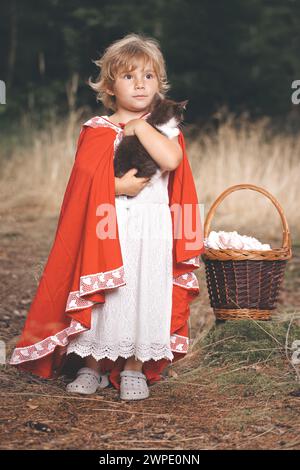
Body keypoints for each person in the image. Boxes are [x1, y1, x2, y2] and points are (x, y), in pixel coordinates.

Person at [9, 33, 205, 401]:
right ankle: (92, 365)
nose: (140, 84)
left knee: (147, 292)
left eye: (148, 76)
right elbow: (83, 187)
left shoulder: (165, 128)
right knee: (109, 295)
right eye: (129, 76)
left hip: (154, 229)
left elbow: (172, 161)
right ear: (110, 86)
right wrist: (119, 188)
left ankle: (134, 367)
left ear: (159, 83)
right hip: (107, 227)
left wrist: (141, 127)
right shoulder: (97, 129)